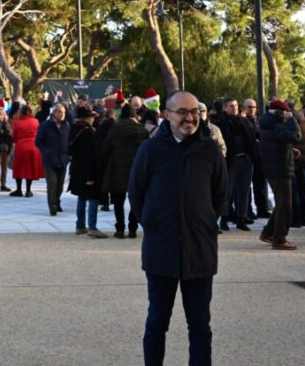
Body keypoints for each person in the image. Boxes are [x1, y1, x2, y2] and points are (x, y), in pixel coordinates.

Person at [128, 91, 228, 366]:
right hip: (162, 251)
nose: (190, 117)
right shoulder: (150, 150)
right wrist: (153, 222)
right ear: (167, 115)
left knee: (199, 325)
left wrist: (204, 221)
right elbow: (136, 193)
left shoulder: (209, 150)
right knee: (157, 322)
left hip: (199, 252)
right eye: (182, 111)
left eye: (194, 111)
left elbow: (220, 194)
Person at [258, 99, 301, 250]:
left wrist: (290, 150)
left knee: (281, 204)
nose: (287, 115)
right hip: (279, 169)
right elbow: (295, 136)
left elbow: (280, 142)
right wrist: (292, 120)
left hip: (277, 167)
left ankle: (269, 232)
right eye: (285, 112)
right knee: (285, 205)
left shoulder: (270, 123)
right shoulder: (275, 124)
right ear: (279, 112)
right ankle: (279, 238)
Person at [101, 103, 148, 238]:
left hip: (117, 168)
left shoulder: (115, 129)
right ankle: (133, 227)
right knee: (136, 199)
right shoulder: (141, 130)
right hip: (136, 169)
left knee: (117, 201)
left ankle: (120, 229)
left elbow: (105, 148)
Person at [215, 97, 256, 231]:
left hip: (246, 160)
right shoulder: (220, 123)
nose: (234, 108)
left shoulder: (244, 121)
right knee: (228, 191)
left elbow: (251, 138)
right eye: (231, 106)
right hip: (230, 161)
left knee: (244, 191)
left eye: (235, 106)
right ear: (225, 108)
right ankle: (224, 219)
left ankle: (241, 218)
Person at [68, 107, 107, 238]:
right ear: (86, 118)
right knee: (94, 198)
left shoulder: (73, 129)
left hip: (76, 168)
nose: (92, 119)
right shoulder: (89, 132)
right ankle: (92, 227)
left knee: (82, 196)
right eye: (91, 117)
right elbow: (90, 156)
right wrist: (90, 176)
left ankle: (80, 226)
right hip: (88, 170)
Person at [35, 104, 71, 216]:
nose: (62, 114)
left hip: (63, 159)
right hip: (49, 160)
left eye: (64, 112)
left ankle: (56, 201)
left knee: (60, 185)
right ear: (54, 113)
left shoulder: (67, 125)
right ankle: (53, 206)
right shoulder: (45, 125)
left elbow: (70, 141)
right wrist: (46, 152)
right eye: (60, 112)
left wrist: (69, 155)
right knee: (52, 183)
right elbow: (38, 141)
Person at [10, 104, 44, 198]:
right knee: (30, 168)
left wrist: (16, 141)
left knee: (19, 168)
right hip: (33, 146)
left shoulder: (17, 122)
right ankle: (28, 190)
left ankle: (19, 190)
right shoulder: (36, 121)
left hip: (21, 146)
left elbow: (14, 136)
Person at [289, 101, 305, 227]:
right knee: (303, 189)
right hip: (304, 157)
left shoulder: (289, 121)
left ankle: (296, 219)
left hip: (293, 157)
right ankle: (304, 218)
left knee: (294, 189)